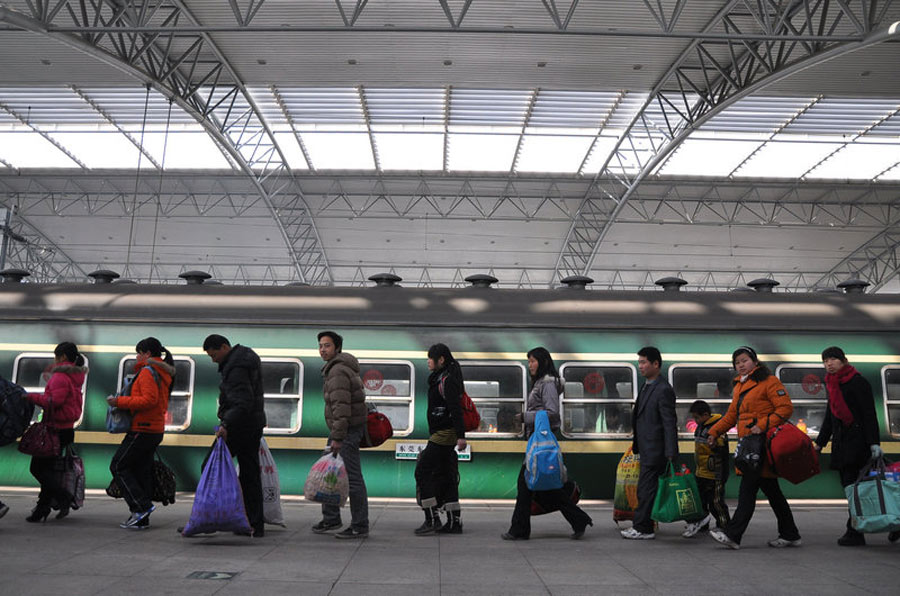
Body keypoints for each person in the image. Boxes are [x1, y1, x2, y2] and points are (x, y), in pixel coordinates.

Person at [708, 346, 801, 550]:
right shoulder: (739, 386)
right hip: (751, 445)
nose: (741, 365)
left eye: (744, 360)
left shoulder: (769, 382)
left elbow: (785, 408)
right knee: (773, 493)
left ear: (755, 362)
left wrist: (763, 425)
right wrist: (714, 432)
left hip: (762, 446)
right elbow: (732, 415)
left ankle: (733, 534)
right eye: (737, 362)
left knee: (747, 491)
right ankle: (790, 533)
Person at [502, 347, 593, 540]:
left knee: (525, 484)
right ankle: (579, 519)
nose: (530, 365)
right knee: (548, 488)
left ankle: (519, 530)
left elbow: (552, 413)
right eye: (529, 361)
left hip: (541, 440)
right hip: (537, 439)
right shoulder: (541, 383)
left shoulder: (548, 383)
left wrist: (525, 417)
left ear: (543, 362)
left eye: (533, 361)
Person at [815, 346, 886, 546]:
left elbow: (869, 414)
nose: (829, 364)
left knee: (855, 488)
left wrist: (874, 443)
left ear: (843, 360)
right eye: (825, 361)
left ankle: (854, 531)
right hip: (842, 445)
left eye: (833, 359)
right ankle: (890, 525)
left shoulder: (858, 382)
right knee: (854, 488)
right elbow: (830, 418)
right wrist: (819, 443)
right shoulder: (832, 384)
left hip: (859, 444)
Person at [202, 334, 267, 537]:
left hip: (239, 426)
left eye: (214, 355)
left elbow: (241, 401)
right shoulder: (244, 358)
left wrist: (225, 424)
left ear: (224, 347)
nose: (213, 360)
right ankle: (253, 523)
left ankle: (209, 517)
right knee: (249, 475)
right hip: (251, 424)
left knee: (210, 467)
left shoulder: (236, 366)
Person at [107, 337, 174, 529]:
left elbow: (148, 400)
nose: (137, 357)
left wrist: (118, 402)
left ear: (147, 354)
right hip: (154, 429)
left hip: (143, 428)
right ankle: (141, 519)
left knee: (118, 465)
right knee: (141, 471)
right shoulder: (162, 372)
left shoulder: (147, 372)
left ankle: (140, 507)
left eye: (139, 353)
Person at [312, 331, 369, 539]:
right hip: (343, 430)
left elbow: (341, 407)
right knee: (330, 472)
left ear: (337, 348)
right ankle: (331, 518)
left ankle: (359, 525)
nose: (322, 350)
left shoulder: (337, 371)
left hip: (345, 431)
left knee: (352, 478)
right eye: (320, 346)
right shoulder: (338, 368)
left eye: (327, 345)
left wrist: (337, 437)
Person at [24, 341, 86, 522]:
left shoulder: (60, 376)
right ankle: (42, 508)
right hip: (66, 429)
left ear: (63, 357)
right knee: (48, 470)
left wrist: (29, 397)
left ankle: (63, 497)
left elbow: (54, 401)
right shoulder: (75, 376)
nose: (54, 361)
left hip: (54, 430)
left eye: (56, 357)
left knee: (37, 468)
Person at [621, 346, 678, 540]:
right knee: (654, 489)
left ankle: (643, 528)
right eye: (639, 362)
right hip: (647, 448)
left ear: (656, 364)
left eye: (644, 362)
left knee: (646, 489)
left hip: (656, 449)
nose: (640, 366)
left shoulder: (663, 389)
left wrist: (670, 451)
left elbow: (669, 422)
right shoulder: (648, 386)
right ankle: (698, 518)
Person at [414, 343, 467, 535]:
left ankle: (432, 518)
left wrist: (461, 436)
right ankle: (454, 522)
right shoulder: (441, 378)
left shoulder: (447, 380)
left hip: (444, 434)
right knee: (447, 476)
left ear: (441, 360)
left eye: (431, 358)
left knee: (422, 471)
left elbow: (455, 409)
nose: (428, 361)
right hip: (443, 433)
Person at [683, 400, 730, 538]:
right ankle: (702, 523)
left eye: (697, 417)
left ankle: (724, 525)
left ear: (705, 415)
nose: (695, 421)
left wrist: (715, 446)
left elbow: (722, 450)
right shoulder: (700, 427)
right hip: (701, 471)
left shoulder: (717, 427)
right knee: (700, 500)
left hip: (715, 473)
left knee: (716, 502)